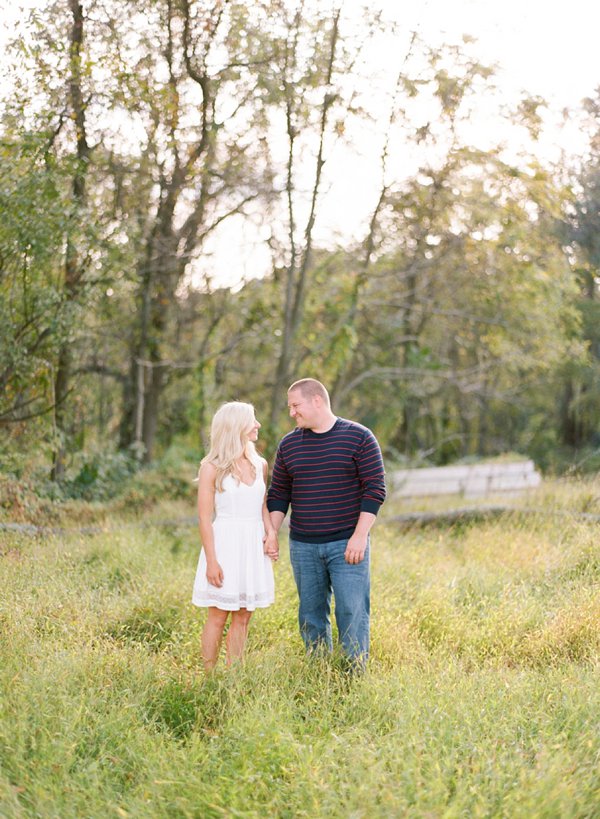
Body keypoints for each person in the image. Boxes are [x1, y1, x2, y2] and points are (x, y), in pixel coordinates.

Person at [267, 378, 386, 669]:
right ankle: (319, 673)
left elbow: (375, 490)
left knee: (351, 612)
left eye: (295, 405)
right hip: (303, 546)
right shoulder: (289, 444)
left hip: (347, 544)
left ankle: (352, 675)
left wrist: (360, 536)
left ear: (317, 400)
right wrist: (271, 533)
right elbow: (279, 493)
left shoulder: (359, 437)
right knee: (311, 615)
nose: (292, 412)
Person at [192, 401, 278, 671]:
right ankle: (208, 677)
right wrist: (212, 561)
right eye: (253, 420)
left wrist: (271, 533)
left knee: (243, 616)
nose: (258, 425)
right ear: (236, 426)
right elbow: (204, 518)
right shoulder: (211, 467)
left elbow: (262, 506)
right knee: (218, 616)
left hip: (252, 546)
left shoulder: (260, 464)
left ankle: (234, 675)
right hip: (225, 546)